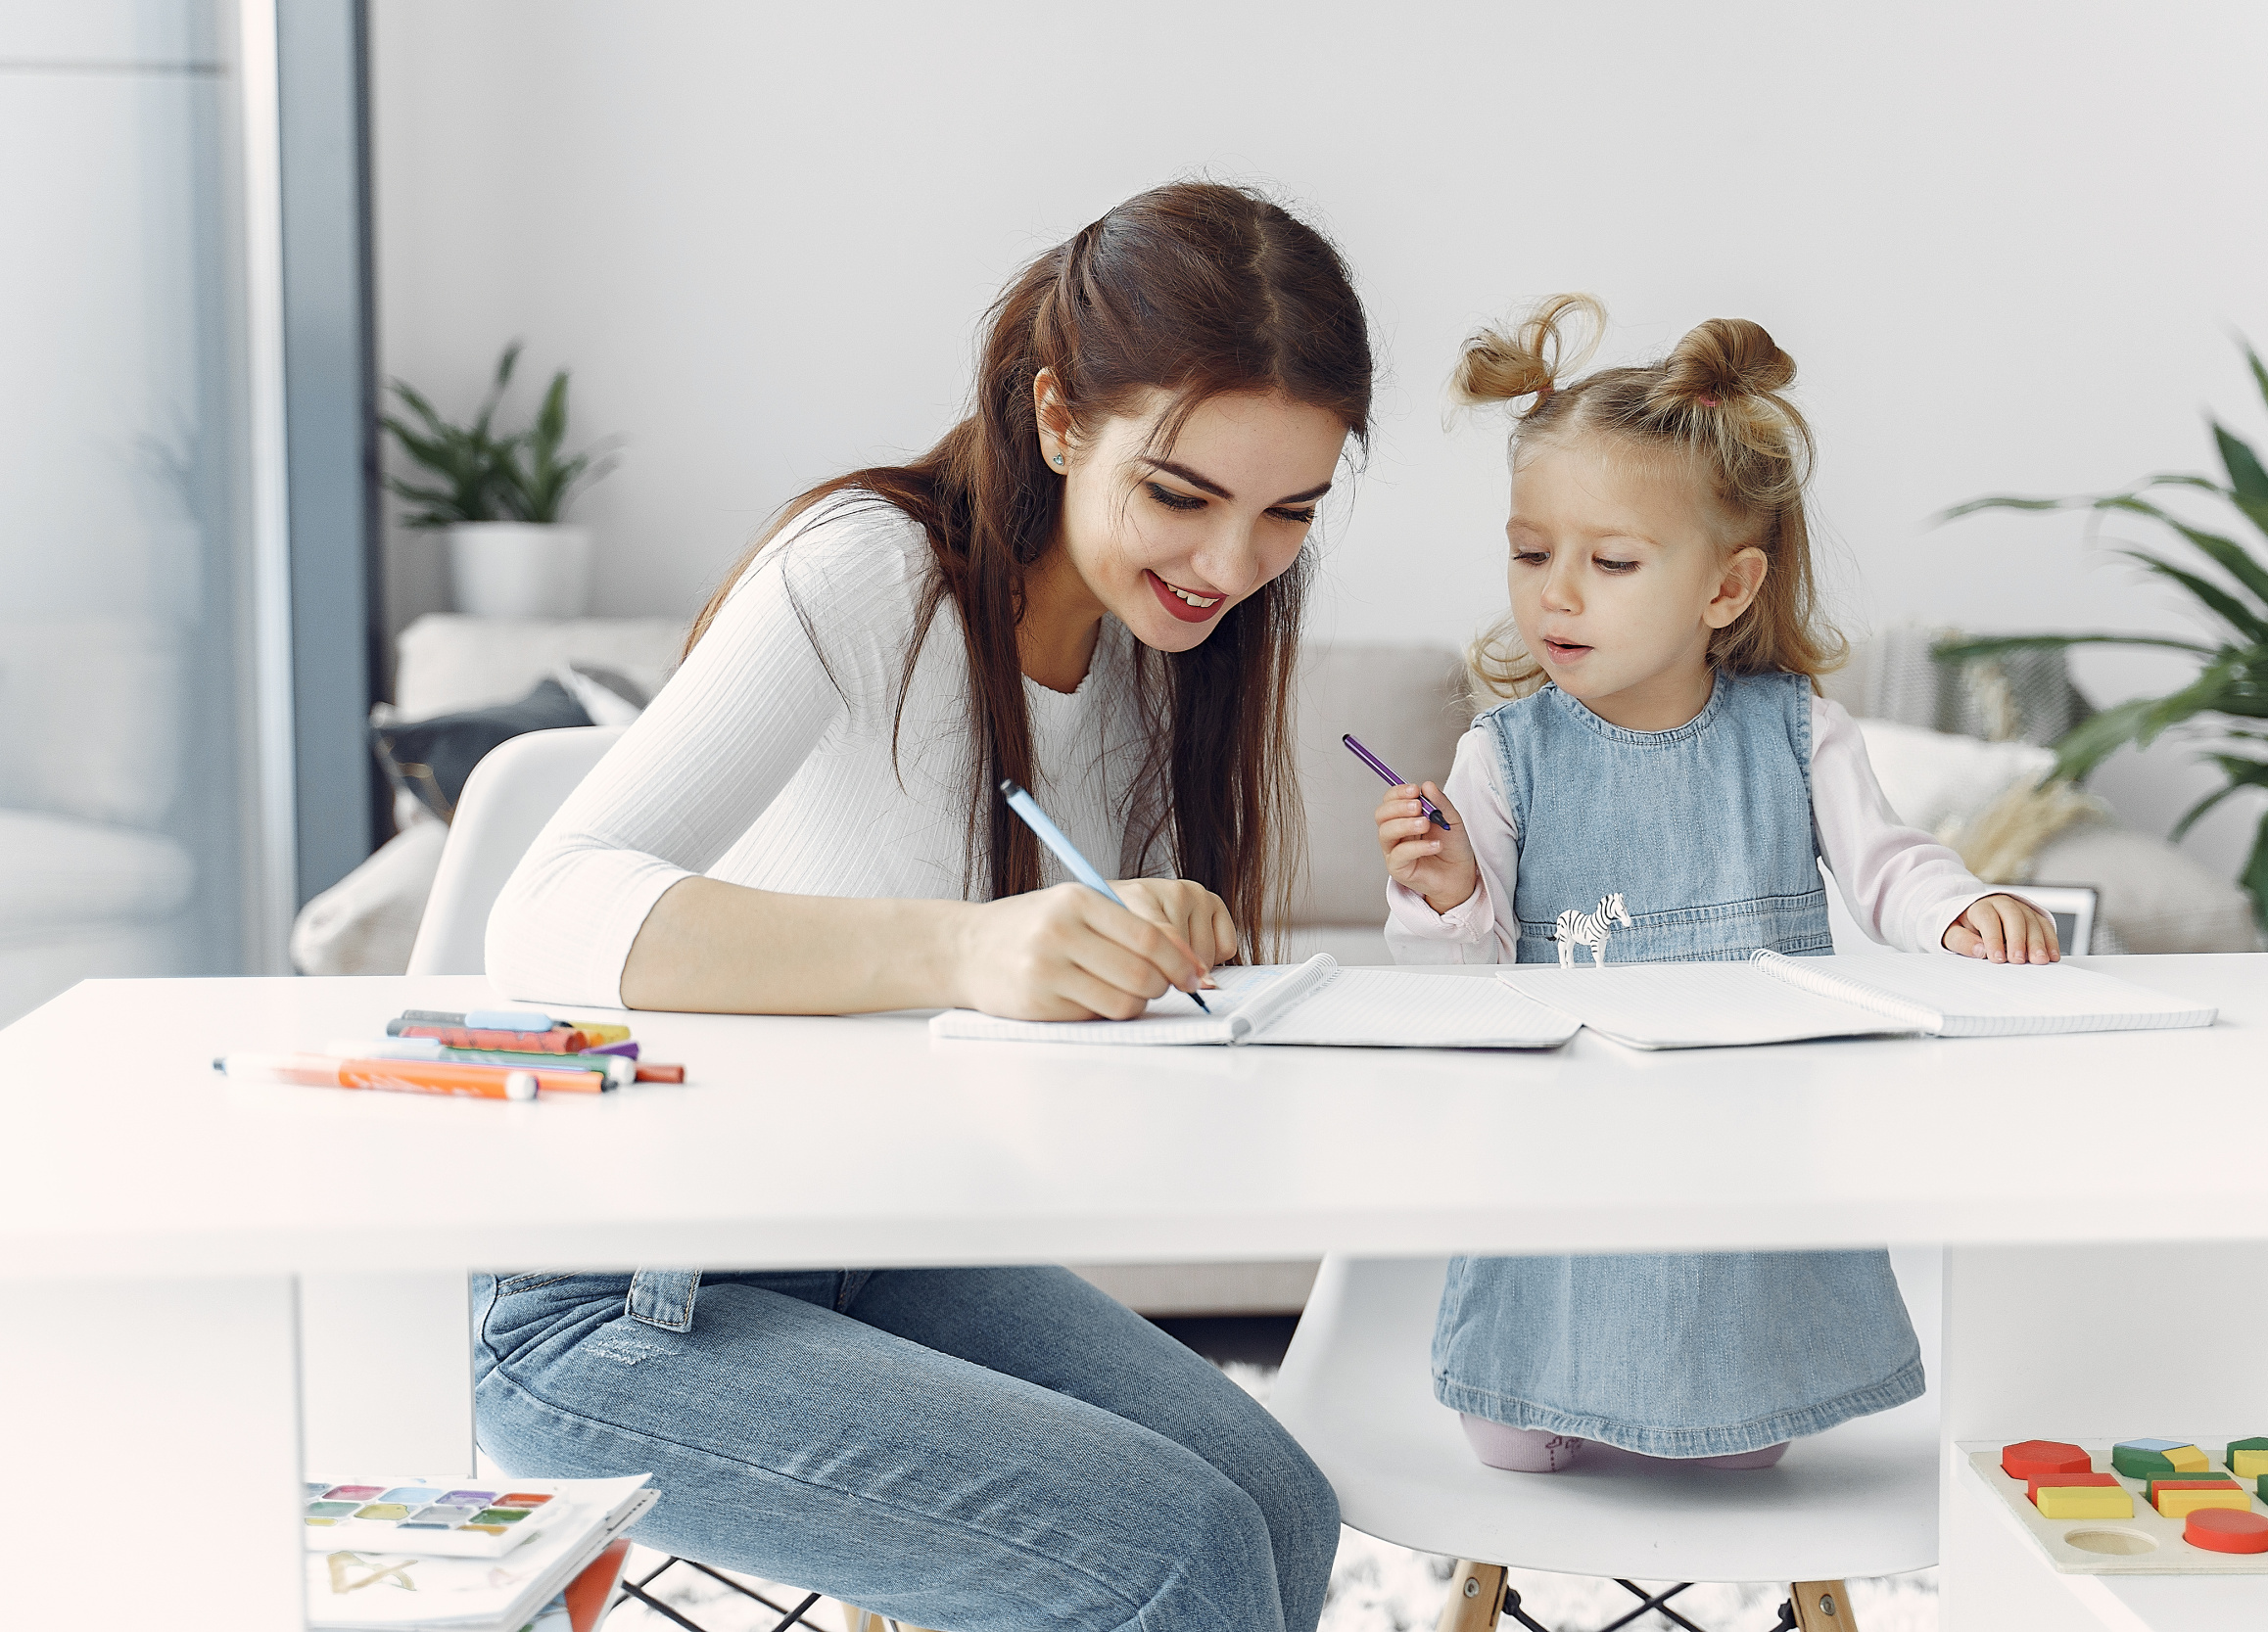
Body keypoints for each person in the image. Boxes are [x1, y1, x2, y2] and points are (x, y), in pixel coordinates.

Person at [474, 183, 1371, 1628]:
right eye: (1183, 498)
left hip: (880, 1239)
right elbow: (549, 907)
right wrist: (969, 950)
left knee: (1276, 1501)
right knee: (1176, 1547)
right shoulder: (867, 573)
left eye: (1288, 516)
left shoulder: (1165, 652)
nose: (1228, 566)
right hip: (623, 1293)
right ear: (1061, 419)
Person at [1372, 295, 2059, 1474]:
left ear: (1726, 589)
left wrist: (1958, 908)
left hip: (1748, 1143)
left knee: (1739, 1446)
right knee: (1508, 1432)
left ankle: (1728, 1403)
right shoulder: (1502, 752)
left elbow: (1889, 866)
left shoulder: (1798, 732)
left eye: (1610, 561)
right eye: (1530, 553)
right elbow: (1462, 983)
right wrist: (1441, 888)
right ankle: (1535, 1389)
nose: (1556, 593)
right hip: (1569, 1150)